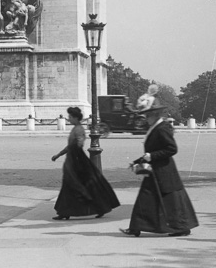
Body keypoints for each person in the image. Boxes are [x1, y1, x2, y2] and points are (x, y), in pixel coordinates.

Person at [124, 86, 198, 237]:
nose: (145, 118)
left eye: (148, 115)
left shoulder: (161, 128)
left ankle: (180, 227)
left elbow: (171, 149)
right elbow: (153, 150)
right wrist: (138, 161)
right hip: (158, 170)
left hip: (163, 169)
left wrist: (151, 156)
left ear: (155, 114)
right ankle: (138, 227)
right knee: (155, 199)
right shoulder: (156, 127)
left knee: (163, 199)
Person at [50, 106, 120, 221]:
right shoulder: (75, 129)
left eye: (70, 117)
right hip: (73, 158)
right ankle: (65, 211)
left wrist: (65, 153)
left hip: (77, 160)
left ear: (76, 118)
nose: (69, 119)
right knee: (71, 185)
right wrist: (59, 154)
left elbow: (78, 144)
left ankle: (67, 211)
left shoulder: (79, 129)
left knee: (77, 185)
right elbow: (71, 145)